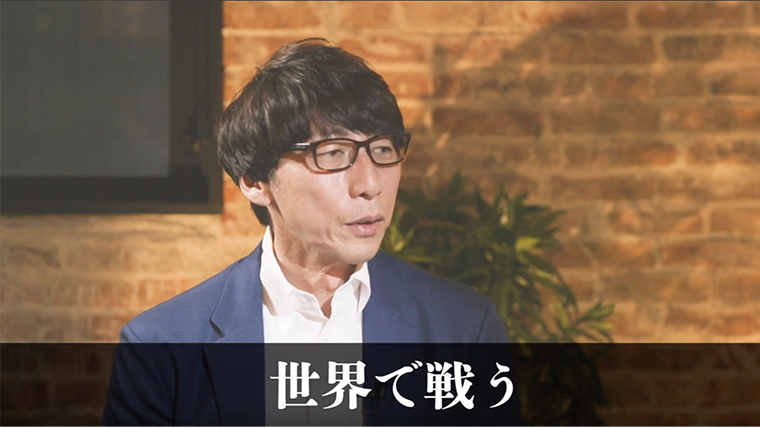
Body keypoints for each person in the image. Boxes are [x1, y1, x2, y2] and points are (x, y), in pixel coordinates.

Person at [103, 38, 521, 427]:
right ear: (255, 181)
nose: (369, 184)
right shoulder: (161, 346)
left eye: (383, 150)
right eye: (334, 154)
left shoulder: (464, 328)